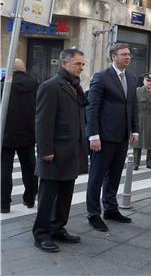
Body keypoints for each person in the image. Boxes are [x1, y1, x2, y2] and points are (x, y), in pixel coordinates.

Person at [32, 49, 88, 253]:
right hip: (54, 151)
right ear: (64, 63)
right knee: (48, 196)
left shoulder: (75, 86)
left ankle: (57, 228)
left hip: (72, 150)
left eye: (83, 64)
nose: (81, 68)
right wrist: (45, 150)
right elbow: (42, 121)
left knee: (66, 194)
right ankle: (41, 234)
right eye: (77, 64)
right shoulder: (50, 86)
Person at [86, 43, 139, 232]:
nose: (128, 57)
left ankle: (110, 208)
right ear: (113, 57)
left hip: (122, 136)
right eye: (124, 54)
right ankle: (93, 214)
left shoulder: (132, 79)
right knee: (97, 176)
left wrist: (135, 130)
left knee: (115, 175)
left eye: (129, 54)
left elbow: (132, 106)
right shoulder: (101, 77)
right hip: (103, 137)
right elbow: (92, 107)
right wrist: (93, 135)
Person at [1, 59, 38, 213]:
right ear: (24, 69)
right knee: (30, 168)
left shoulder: (4, 85)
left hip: (6, 134)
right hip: (28, 133)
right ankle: (29, 199)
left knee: (4, 170)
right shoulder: (35, 84)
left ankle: (4, 204)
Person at [132, 73, 151, 171]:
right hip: (139, 119)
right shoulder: (137, 91)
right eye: (147, 80)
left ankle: (150, 163)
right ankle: (135, 163)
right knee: (137, 143)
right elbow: (133, 107)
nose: (149, 82)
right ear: (143, 81)